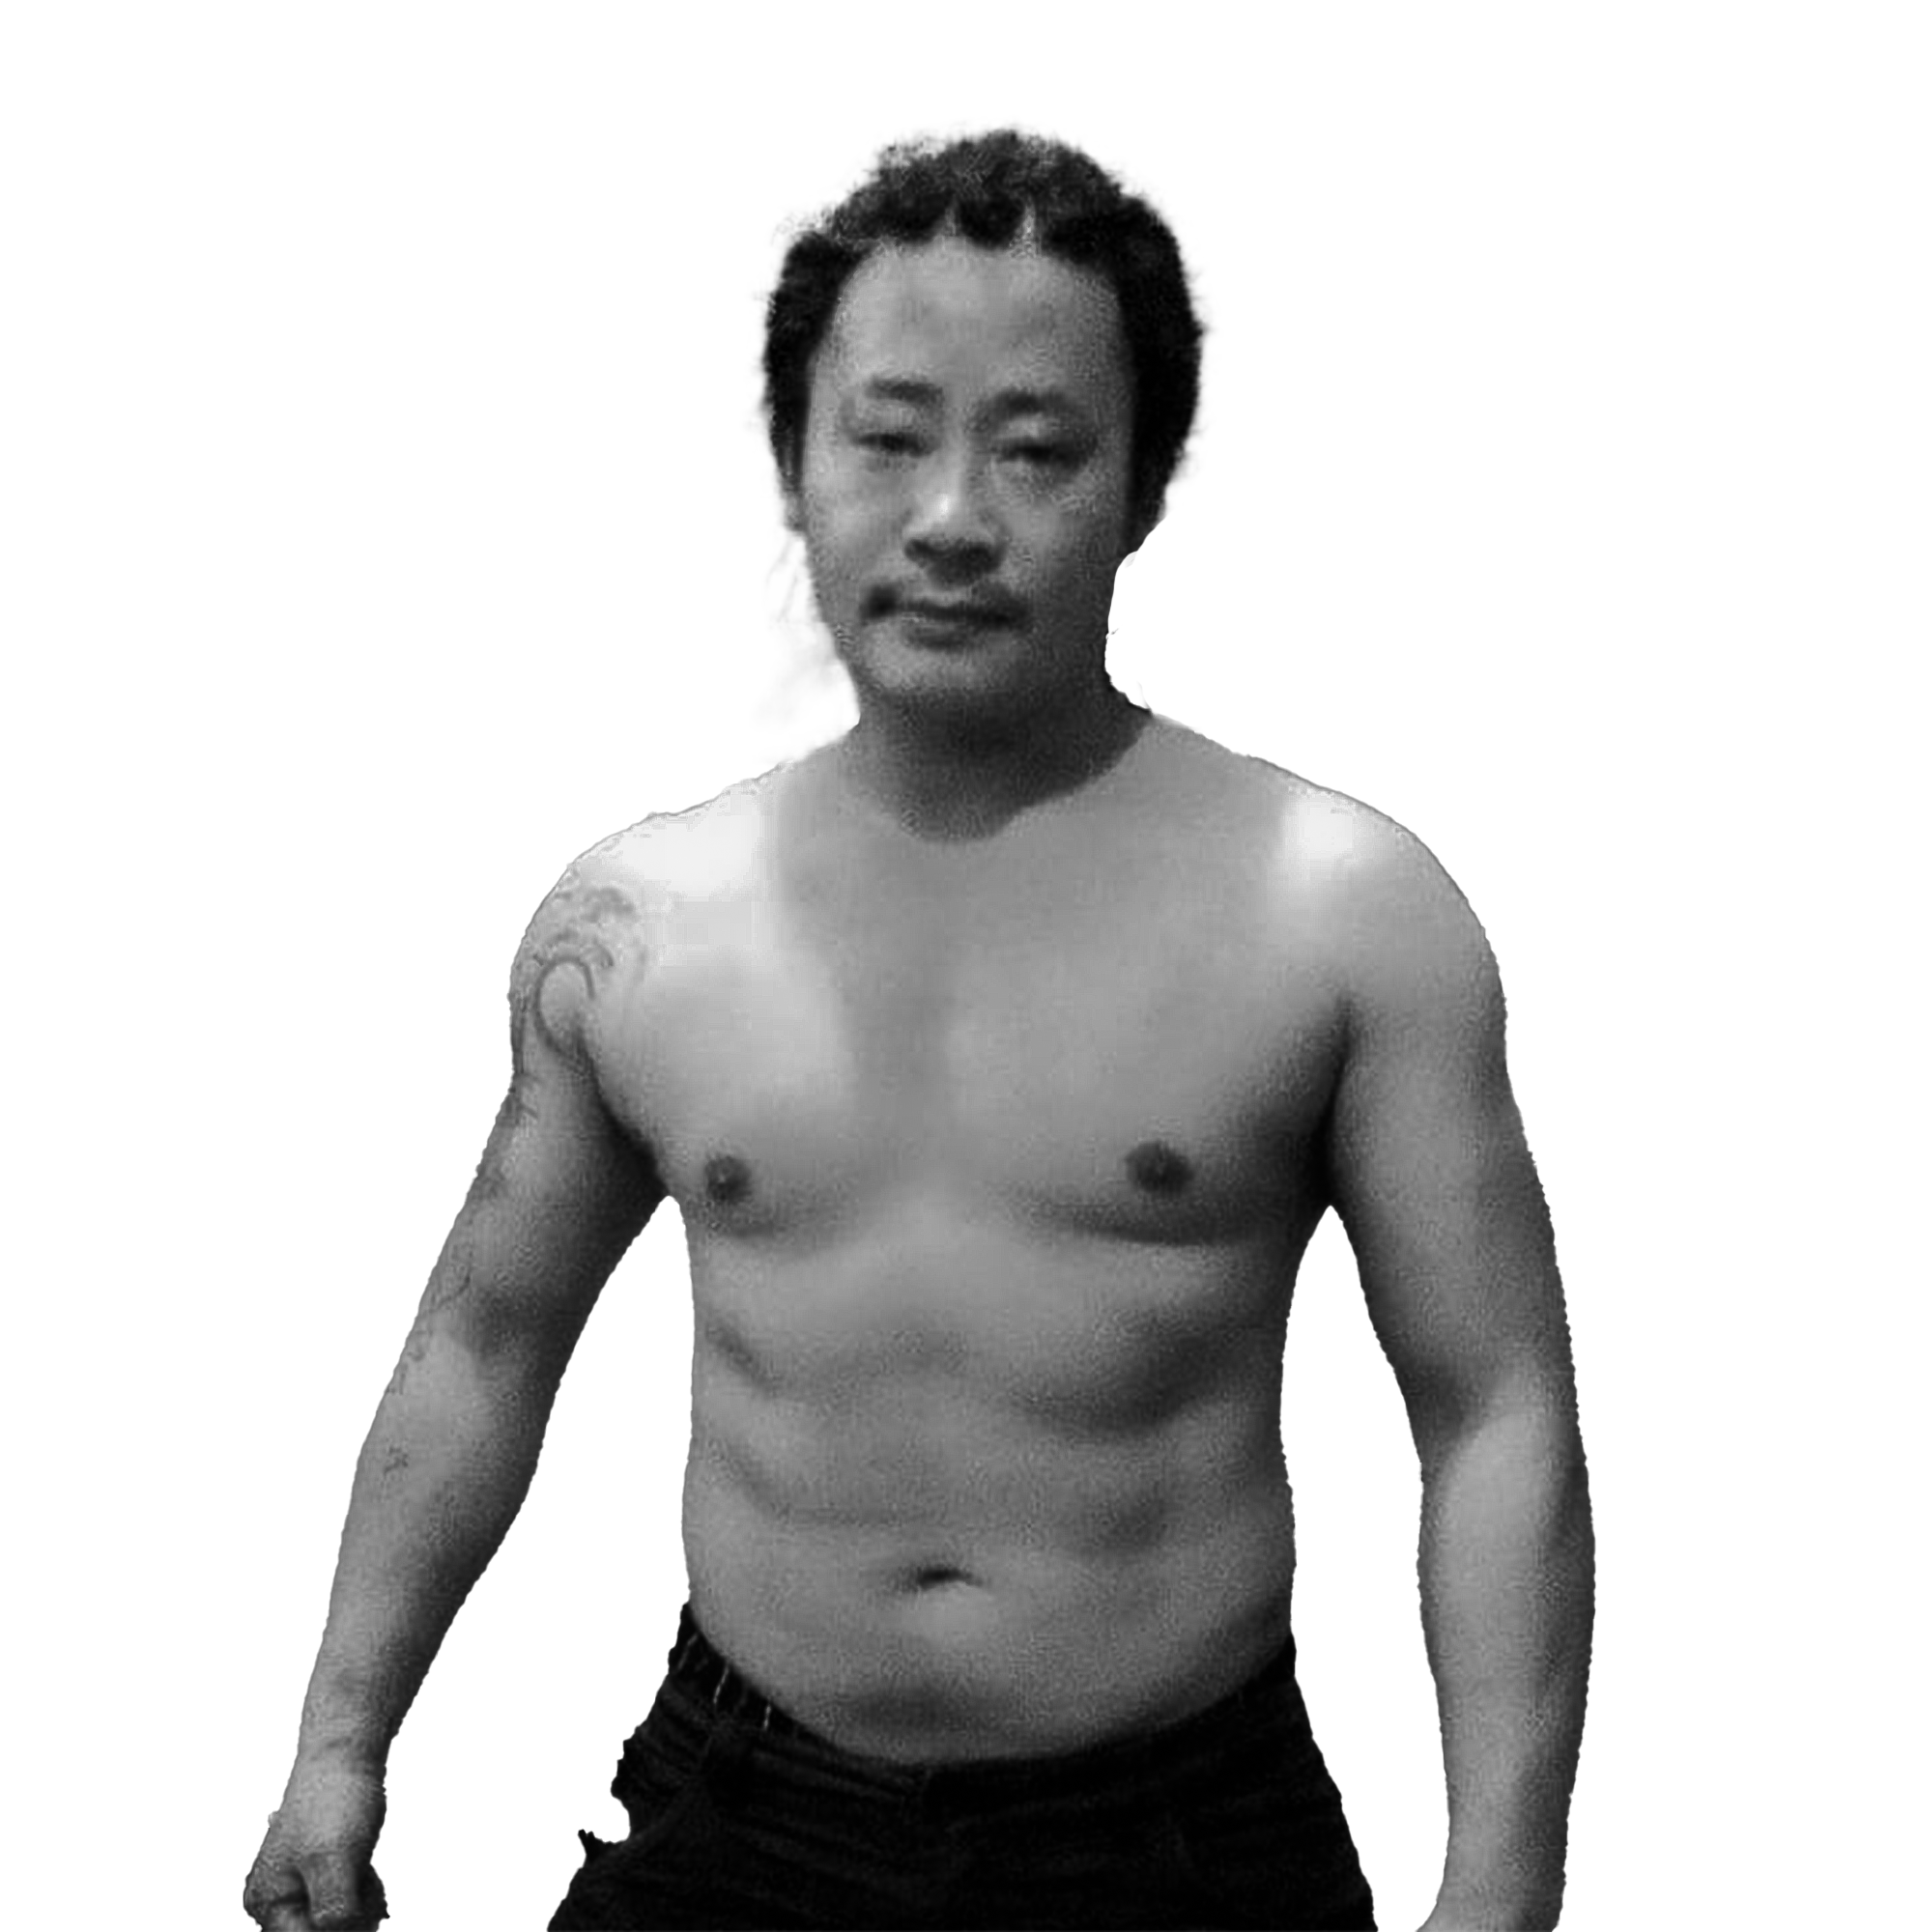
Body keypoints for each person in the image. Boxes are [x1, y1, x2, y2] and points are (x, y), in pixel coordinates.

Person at [245, 120, 1592, 1932]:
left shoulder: (1344, 913)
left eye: (1039, 450)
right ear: (790, 465)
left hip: (1179, 1839)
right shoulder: (636, 929)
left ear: (1146, 492)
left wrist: (1499, 1887)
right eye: (887, 438)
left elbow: (1494, 1408)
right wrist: (339, 1745)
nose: (955, 516)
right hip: (744, 1810)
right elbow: (487, 1345)